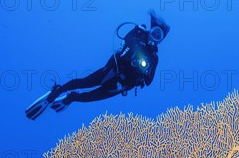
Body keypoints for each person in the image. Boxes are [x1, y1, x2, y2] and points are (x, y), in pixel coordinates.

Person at [25, 10, 170, 120]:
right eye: (155, 33)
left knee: (90, 97)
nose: (155, 37)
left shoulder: (154, 57)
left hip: (121, 85)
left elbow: (150, 81)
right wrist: (138, 47)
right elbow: (128, 39)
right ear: (151, 30)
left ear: (161, 41)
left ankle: (70, 98)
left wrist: (144, 72)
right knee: (85, 82)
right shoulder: (139, 33)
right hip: (113, 70)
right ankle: (57, 91)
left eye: (159, 36)